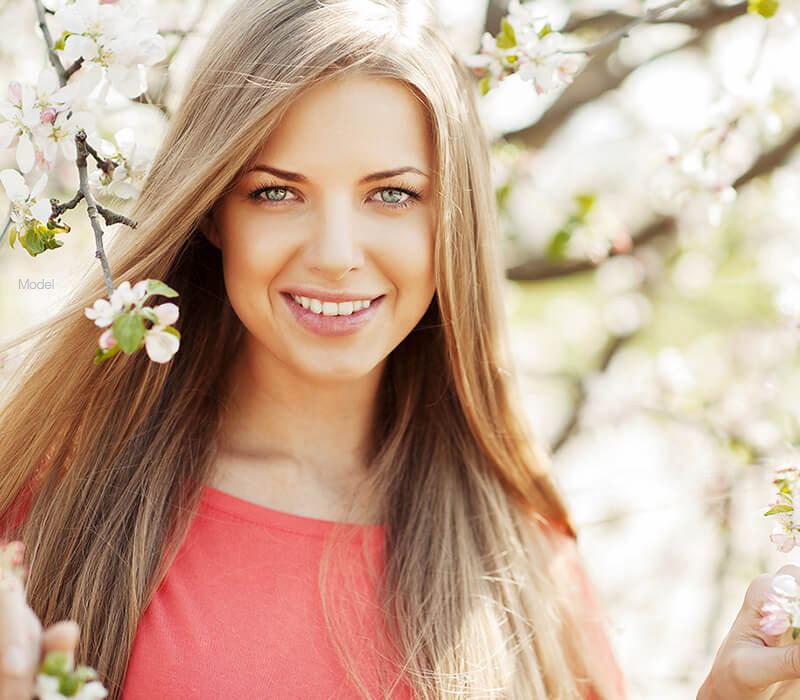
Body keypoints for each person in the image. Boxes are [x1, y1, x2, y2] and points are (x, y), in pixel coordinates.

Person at [0, 1, 796, 699]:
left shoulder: (520, 554)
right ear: (213, 212)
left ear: (449, 219)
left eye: (393, 194)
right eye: (276, 191)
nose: (338, 252)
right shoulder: (56, 515)